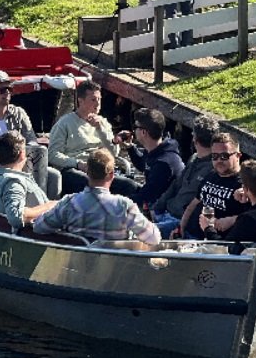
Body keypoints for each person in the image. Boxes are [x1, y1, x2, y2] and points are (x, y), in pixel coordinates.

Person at [33, 149, 161, 244]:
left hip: (76, 266)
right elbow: (154, 239)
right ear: (111, 175)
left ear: (87, 173)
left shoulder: (69, 203)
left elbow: (39, 227)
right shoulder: (124, 206)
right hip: (115, 269)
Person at [48, 81, 138, 197]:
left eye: (99, 100)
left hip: (100, 168)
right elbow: (52, 154)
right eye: (93, 100)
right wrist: (78, 164)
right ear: (80, 101)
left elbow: (114, 153)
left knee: (130, 185)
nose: (97, 104)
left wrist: (100, 129)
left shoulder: (103, 123)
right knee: (88, 183)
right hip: (75, 169)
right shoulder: (64, 123)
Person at [0, 71, 55, 197]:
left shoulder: (19, 113)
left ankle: (47, 210)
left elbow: (31, 140)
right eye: (2, 90)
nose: (7, 92)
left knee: (54, 176)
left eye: (9, 89)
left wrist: (23, 152)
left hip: (19, 161)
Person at [199, 160, 256, 254]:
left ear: (245, 188)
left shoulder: (247, 220)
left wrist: (208, 228)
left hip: (246, 265)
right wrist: (245, 204)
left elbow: (224, 248)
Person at [151, 115, 217, 239]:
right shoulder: (193, 158)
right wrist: (157, 207)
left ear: (195, 138)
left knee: (141, 233)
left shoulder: (213, 169)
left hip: (179, 220)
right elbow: (176, 184)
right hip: (166, 212)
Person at [178, 132, 251, 239]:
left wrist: (233, 219)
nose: (219, 160)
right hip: (189, 234)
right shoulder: (211, 175)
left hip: (214, 244)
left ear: (238, 156)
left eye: (224, 156)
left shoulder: (246, 184)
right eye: (214, 156)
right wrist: (181, 229)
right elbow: (193, 204)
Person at [115, 108, 183, 212]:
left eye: (135, 127)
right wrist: (130, 148)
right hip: (151, 195)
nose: (133, 130)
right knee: (120, 183)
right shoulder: (156, 148)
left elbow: (146, 196)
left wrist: (113, 203)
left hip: (160, 208)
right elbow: (144, 165)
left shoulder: (163, 164)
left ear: (143, 132)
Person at [0, 131, 56, 230]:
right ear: (22, 154)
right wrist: (49, 206)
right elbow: (16, 218)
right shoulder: (13, 182)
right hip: (36, 237)